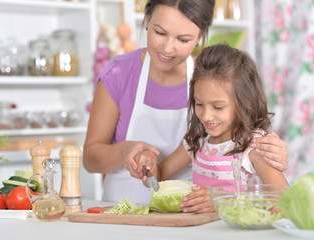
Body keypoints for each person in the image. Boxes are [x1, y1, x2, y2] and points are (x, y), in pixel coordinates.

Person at [83, 0, 288, 205]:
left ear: (199, 36)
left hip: (188, 218)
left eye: (183, 39)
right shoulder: (120, 73)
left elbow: (280, 195)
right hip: (121, 208)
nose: (168, 48)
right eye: (160, 33)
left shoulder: (209, 79)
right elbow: (91, 160)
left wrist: (272, 153)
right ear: (147, 20)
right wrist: (128, 152)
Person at [136, 43, 289, 213]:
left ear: (244, 103)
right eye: (199, 104)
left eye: (218, 107)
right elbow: (160, 177)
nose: (206, 116)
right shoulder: (196, 142)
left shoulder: (254, 146)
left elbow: (284, 202)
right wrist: (148, 166)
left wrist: (223, 201)